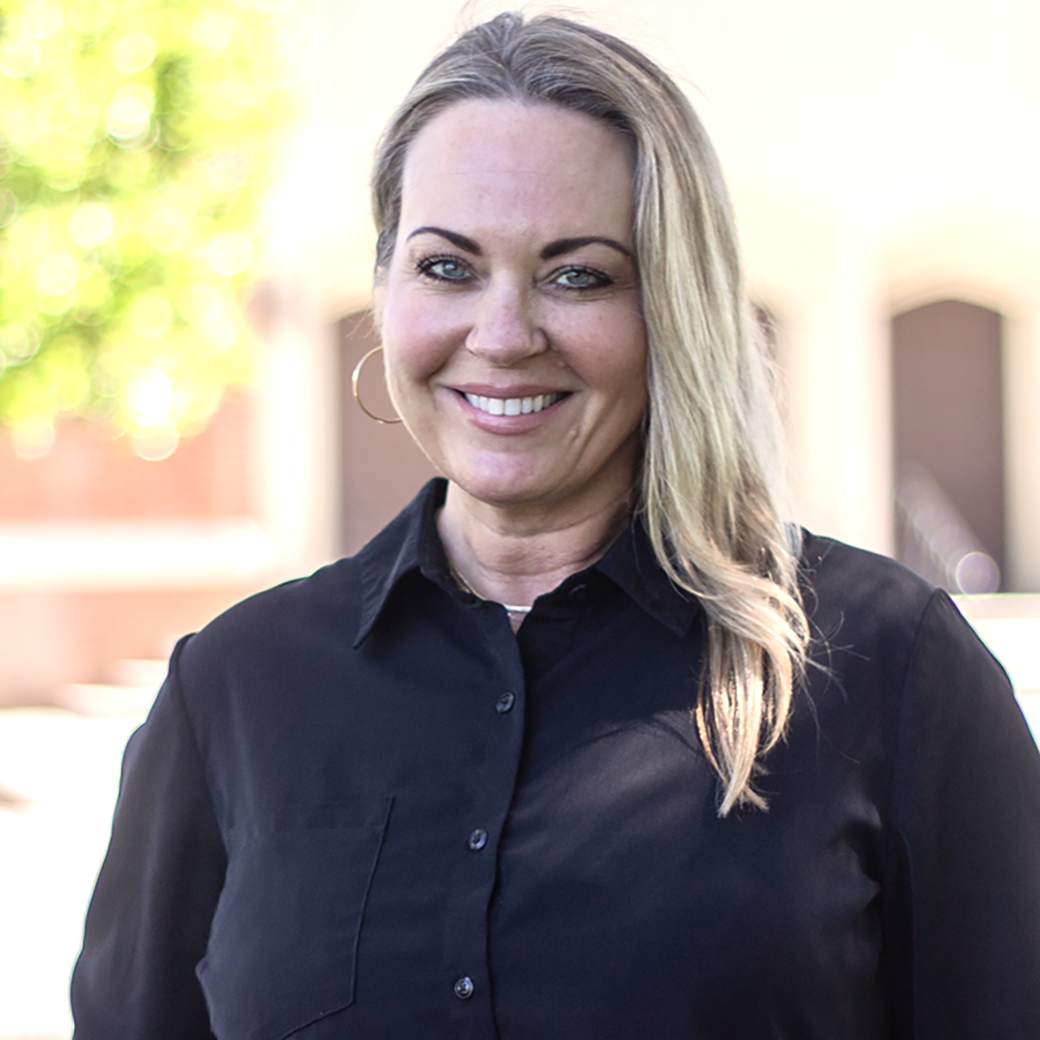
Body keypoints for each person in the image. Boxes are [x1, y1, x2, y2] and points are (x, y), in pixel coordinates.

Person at [72, 13, 1040, 1039]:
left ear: (671, 308)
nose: (501, 335)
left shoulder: (887, 667)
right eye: (447, 266)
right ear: (384, 285)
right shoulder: (234, 687)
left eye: (577, 274)